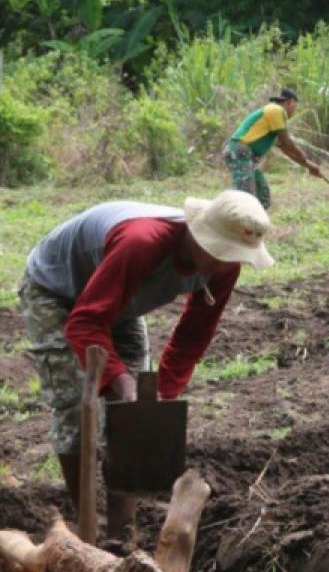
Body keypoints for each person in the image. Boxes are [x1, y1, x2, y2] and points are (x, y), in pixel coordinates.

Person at [18, 190, 274, 540]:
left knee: (136, 409)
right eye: (219, 252)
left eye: (233, 256)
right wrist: (120, 381)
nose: (223, 263)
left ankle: (122, 536)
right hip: (58, 292)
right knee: (77, 404)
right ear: (199, 235)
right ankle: (88, 528)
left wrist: (160, 395)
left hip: (119, 299)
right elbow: (85, 323)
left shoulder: (224, 268)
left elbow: (194, 334)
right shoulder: (142, 242)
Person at [223, 88, 323, 209]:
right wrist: (303, 157)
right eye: (295, 107)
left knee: (263, 195)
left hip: (247, 157)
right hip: (240, 152)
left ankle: (256, 226)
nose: (294, 111)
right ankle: (234, 225)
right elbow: (287, 143)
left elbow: (286, 150)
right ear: (290, 102)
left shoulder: (274, 120)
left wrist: (309, 166)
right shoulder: (276, 110)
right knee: (246, 198)